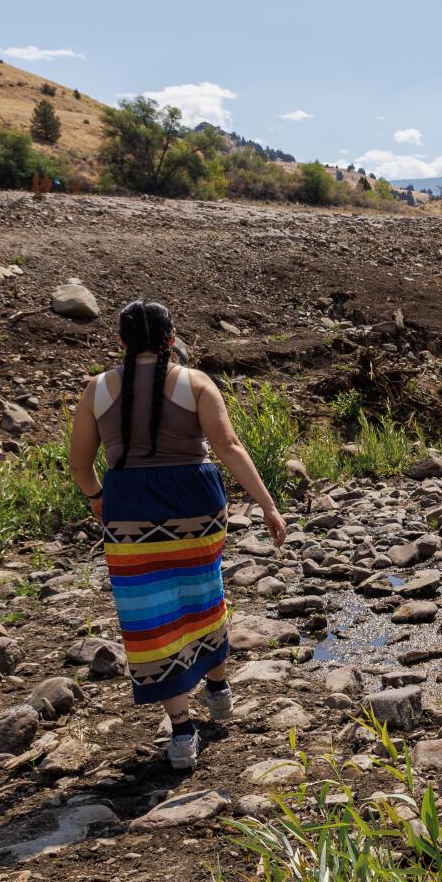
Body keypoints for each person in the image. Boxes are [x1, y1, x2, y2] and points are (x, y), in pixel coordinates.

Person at [68, 299, 288, 768]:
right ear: (172, 340)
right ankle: (218, 686)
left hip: (128, 507)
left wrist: (97, 499)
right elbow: (228, 447)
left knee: (150, 615)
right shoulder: (195, 383)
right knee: (204, 596)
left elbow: (79, 464)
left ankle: (182, 731)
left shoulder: (97, 389)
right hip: (196, 506)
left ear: (121, 342)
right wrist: (268, 506)